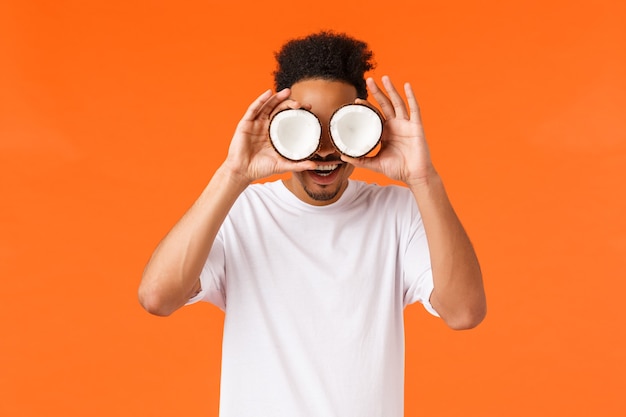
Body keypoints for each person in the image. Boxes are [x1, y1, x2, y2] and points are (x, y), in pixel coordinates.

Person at [139, 31, 486, 417]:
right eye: (307, 127)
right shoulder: (240, 212)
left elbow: (464, 312)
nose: (324, 150)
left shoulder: (398, 213)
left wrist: (424, 179)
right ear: (279, 127)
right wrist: (233, 174)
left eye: (342, 128)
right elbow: (158, 298)